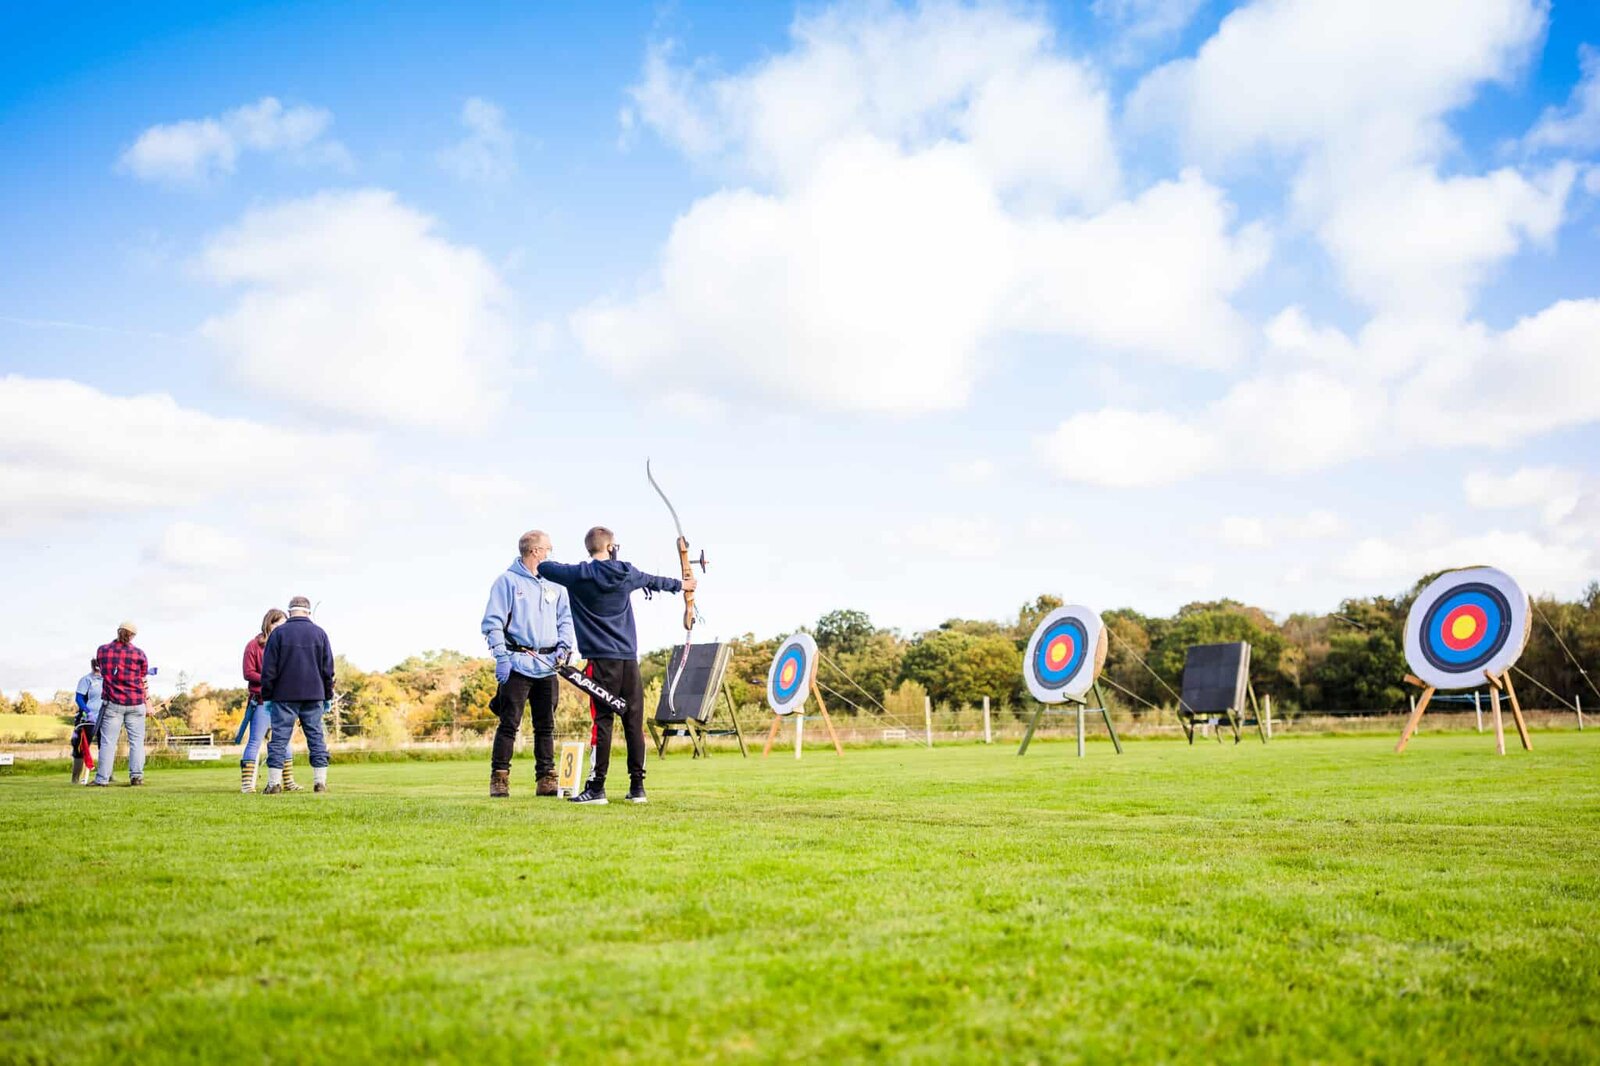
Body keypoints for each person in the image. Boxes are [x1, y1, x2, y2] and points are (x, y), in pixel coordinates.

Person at [538, 526, 695, 806]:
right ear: (611, 547)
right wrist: (683, 586)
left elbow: (546, 566)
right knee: (633, 722)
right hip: (628, 659)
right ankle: (638, 788)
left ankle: (596, 788)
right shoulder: (626, 572)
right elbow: (654, 580)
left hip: (601, 661)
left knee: (603, 721)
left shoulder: (578, 574)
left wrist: (583, 566)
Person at [481, 530, 575, 799]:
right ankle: (499, 778)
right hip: (517, 664)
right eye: (548, 549)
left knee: (545, 726)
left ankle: (546, 778)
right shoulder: (506, 582)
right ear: (535, 551)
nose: (550, 553)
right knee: (509, 724)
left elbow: (565, 620)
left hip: (548, 666)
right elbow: (493, 623)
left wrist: (564, 647)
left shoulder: (556, 585)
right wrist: (501, 656)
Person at [260, 596, 334, 795]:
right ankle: (320, 782)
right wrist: (328, 696)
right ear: (308, 611)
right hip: (314, 694)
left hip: (283, 695)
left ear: (290, 611)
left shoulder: (278, 634)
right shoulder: (320, 634)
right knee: (316, 738)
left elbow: (268, 670)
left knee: (279, 739)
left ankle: (274, 784)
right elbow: (328, 670)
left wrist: (267, 696)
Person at [237, 608, 296, 794]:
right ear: (268, 624)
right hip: (261, 701)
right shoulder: (253, 646)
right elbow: (248, 673)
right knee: (255, 741)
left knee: (284, 742)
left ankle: (289, 782)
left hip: (282, 701)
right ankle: (247, 784)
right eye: (277, 624)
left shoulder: (286, 648)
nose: (281, 628)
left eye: (284, 625)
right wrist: (270, 678)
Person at [93, 621, 150, 787]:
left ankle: (102, 779)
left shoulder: (103, 650)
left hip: (113, 703)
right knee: (137, 742)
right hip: (136, 703)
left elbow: (102, 668)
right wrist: (149, 703)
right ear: (132, 636)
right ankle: (136, 777)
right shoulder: (139, 654)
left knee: (108, 743)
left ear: (118, 632)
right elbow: (143, 678)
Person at [71, 659, 102, 784]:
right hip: (88, 720)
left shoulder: (108, 680)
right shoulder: (86, 680)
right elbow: (79, 698)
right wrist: (87, 712)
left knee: (105, 747)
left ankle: (107, 775)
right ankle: (75, 778)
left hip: (104, 719)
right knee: (80, 747)